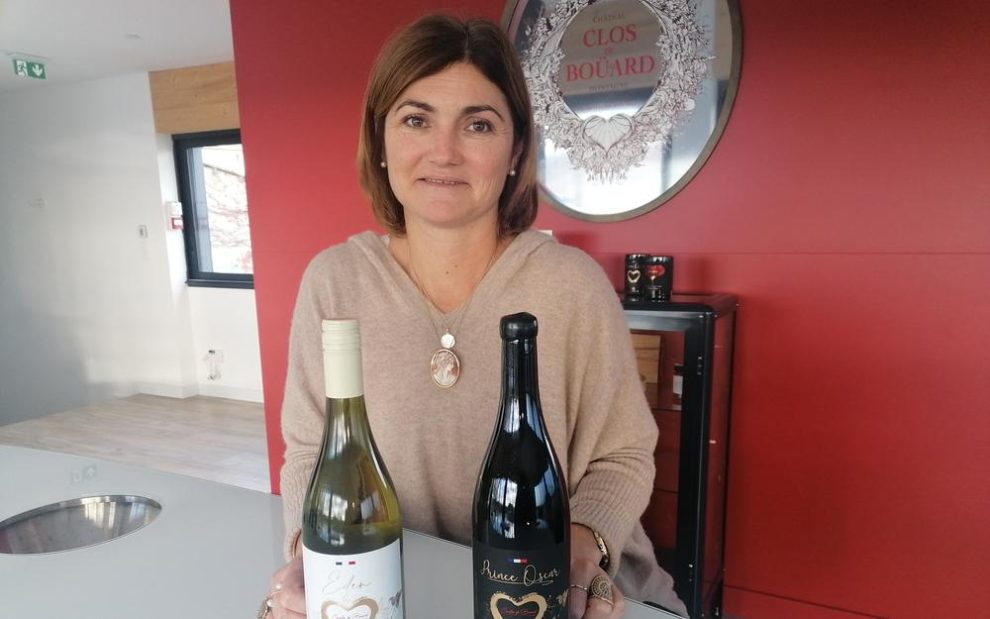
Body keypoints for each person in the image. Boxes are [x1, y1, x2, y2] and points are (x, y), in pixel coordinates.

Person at [261, 13, 688, 619]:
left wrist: (579, 548)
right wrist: (310, 556)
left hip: (561, 595)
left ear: (516, 151)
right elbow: (311, 450)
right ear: (380, 142)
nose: (444, 152)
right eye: (416, 120)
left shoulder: (572, 286)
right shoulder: (334, 283)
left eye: (478, 125)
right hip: (400, 591)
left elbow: (622, 456)